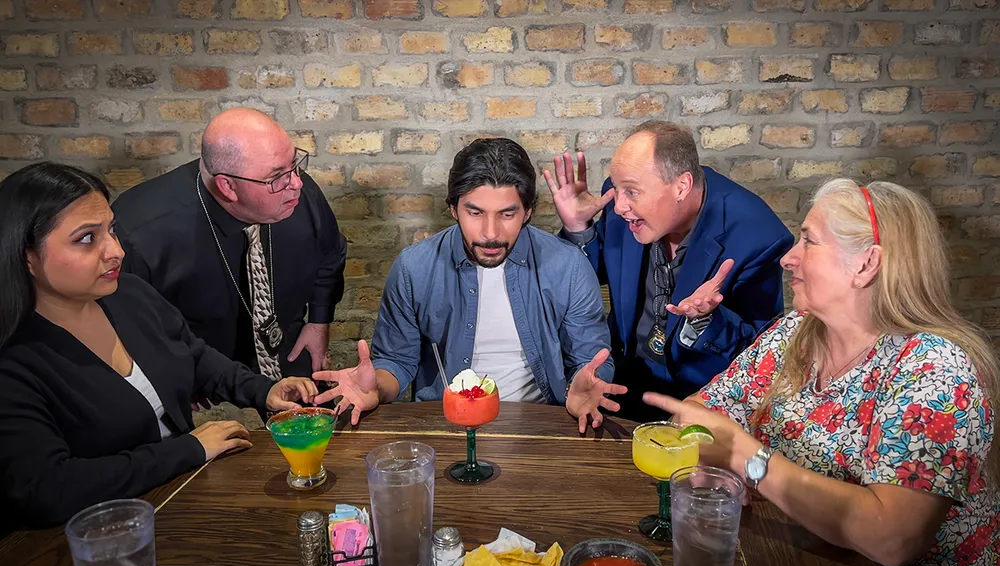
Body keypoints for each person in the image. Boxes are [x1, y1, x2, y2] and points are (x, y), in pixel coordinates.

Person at [645, 179, 1000, 566]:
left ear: (867, 264)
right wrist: (713, 461)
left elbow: (893, 539)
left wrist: (747, 458)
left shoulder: (936, 370)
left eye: (809, 241)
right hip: (796, 553)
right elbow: (698, 414)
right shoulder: (796, 331)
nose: (788, 258)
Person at [0, 163, 327, 530]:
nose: (115, 251)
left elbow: (192, 355)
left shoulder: (127, 293)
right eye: (87, 239)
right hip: (93, 540)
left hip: (177, 500)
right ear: (26, 255)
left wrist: (264, 391)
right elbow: (46, 490)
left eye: (111, 230)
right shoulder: (13, 360)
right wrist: (188, 449)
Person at [312, 138, 623, 432]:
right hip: (445, 424)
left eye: (507, 213)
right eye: (475, 212)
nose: (490, 232)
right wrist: (375, 387)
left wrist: (585, 380)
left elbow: (589, 357)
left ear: (527, 212)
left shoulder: (567, 265)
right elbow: (396, 361)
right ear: (453, 210)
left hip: (541, 424)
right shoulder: (413, 267)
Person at [545, 120, 793, 421]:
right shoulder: (621, 198)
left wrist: (706, 320)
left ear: (682, 186)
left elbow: (762, 358)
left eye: (632, 192)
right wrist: (577, 228)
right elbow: (597, 272)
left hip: (700, 398)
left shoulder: (758, 236)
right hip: (624, 381)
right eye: (618, 189)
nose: (619, 205)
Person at [112, 108, 347, 386]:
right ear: (227, 187)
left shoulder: (295, 188)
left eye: (294, 164)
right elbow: (123, 321)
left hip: (286, 339)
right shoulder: (140, 232)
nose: (296, 183)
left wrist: (319, 322)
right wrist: (168, 369)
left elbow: (330, 253)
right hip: (195, 358)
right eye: (277, 177)